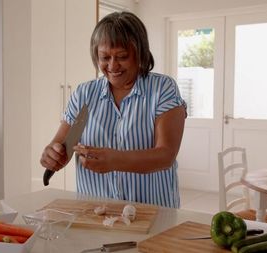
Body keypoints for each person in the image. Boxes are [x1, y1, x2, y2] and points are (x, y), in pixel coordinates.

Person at [40, 11, 187, 208]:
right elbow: (62, 146)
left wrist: (116, 160)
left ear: (140, 53)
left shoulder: (163, 88)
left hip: (153, 211)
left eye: (122, 56)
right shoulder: (84, 93)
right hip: (96, 212)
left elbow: (165, 155)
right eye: (104, 57)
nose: (112, 65)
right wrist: (52, 155)